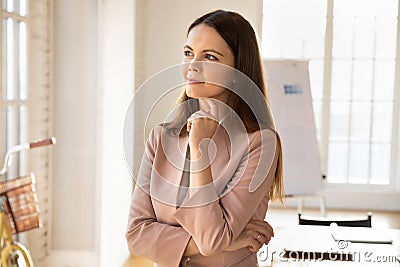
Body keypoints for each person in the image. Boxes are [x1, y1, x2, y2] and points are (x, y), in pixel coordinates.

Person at [126, 9, 284, 267]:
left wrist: (200, 151)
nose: (192, 66)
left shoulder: (260, 143)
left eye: (209, 57)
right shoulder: (161, 137)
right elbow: (135, 235)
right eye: (188, 53)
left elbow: (212, 239)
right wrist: (228, 242)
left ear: (237, 71)